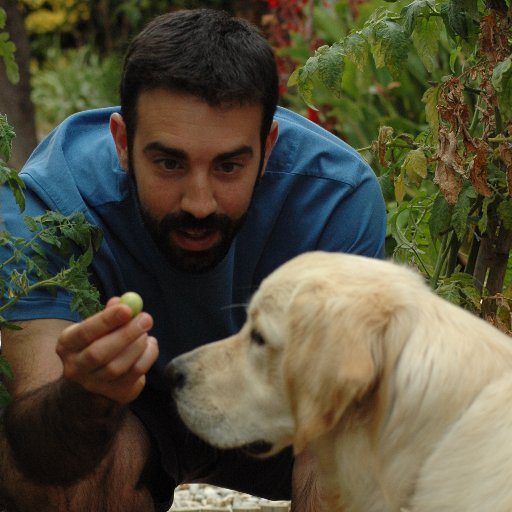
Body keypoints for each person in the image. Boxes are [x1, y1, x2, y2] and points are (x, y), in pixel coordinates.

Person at [0, 8, 386, 512]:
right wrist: (82, 393)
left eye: (229, 165)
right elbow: (38, 452)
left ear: (268, 148)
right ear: (122, 143)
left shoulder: (336, 199)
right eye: (169, 162)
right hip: (130, 417)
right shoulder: (50, 203)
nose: (198, 203)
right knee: (57, 482)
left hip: (279, 411)